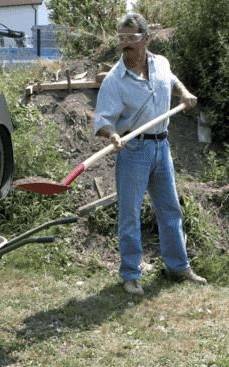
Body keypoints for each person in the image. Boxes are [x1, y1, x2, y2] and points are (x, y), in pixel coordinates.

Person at [94, 12, 207, 296]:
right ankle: (131, 274)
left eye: (131, 38)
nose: (125, 44)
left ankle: (178, 267)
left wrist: (184, 93)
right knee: (129, 215)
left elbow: (172, 80)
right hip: (133, 151)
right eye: (121, 38)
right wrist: (113, 134)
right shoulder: (114, 80)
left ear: (146, 38)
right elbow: (103, 120)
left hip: (162, 147)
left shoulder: (161, 64)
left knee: (170, 209)